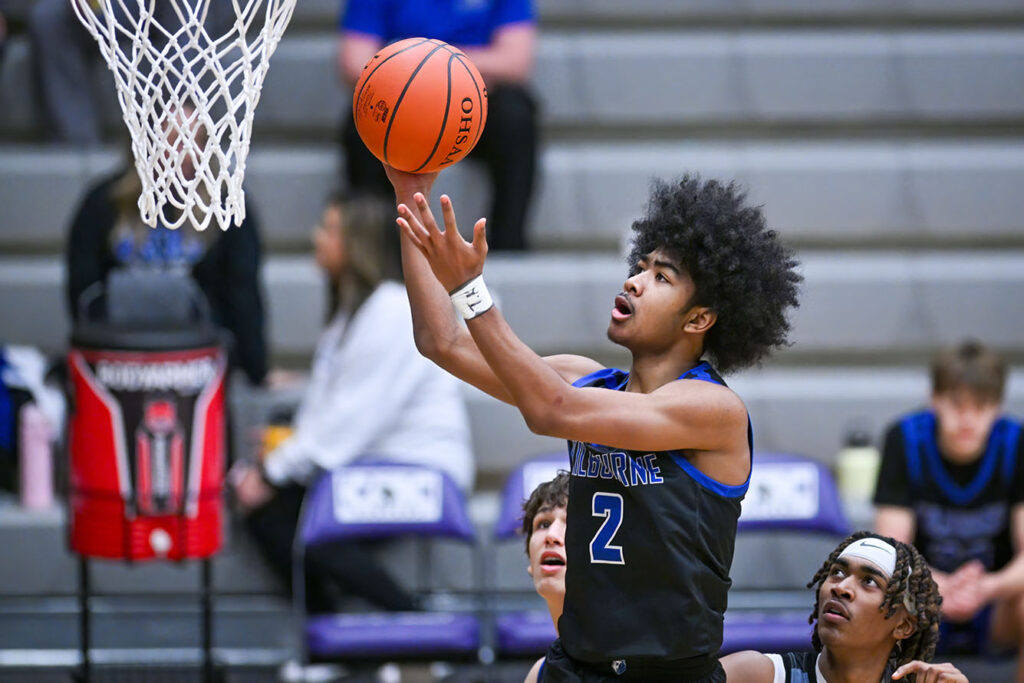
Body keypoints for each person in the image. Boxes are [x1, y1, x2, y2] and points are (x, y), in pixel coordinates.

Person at [387, 165, 802, 681]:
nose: (633, 279)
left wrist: (471, 289)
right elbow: (440, 342)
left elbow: (549, 410)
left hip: (667, 674)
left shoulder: (713, 410)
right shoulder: (584, 382)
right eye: (640, 266)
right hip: (578, 665)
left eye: (661, 277)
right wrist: (410, 195)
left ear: (698, 319)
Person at [232, 191, 473, 614]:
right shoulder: (353, 314)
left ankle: (418, 624)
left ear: (357, 243)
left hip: (422, 472)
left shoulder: (391, 311)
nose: (316, 237)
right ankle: (338, 637)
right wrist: (283, 450)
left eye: (329, 229)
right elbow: (331, 417)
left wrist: (273, 470)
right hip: (373, 462)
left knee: (307, 525)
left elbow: (347, 423)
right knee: (274, 517)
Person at [65, 105, 268, 387]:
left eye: (193, 140)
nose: (184, 153)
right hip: (121, 361)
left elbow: (243, 293)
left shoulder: (227, 208)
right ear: (146, 143)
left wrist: (258, 370)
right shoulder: (103, 204)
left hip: (199, 362)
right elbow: (82, 291)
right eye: (173, 140)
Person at [874, 340, 1024, 677]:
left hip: (993, 602)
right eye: (957, 405)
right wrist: (938, 584)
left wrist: (987, 587)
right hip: (921, 602)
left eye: (981, 406)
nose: (968, 419)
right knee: (874, 599)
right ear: (935, 400)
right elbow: (890, 551)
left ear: (997, 408)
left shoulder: (1017, 443)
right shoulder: (905, 438)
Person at [338, 0, 539, 251]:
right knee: (361, 123)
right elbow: (354, 63)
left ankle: (508, 248)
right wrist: (421, 74)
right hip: (404, 102)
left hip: (472, 99)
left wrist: (437, 65)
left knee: (517, 115)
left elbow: (515, 62)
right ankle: (379, 258)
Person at [721, 532, 967, 683]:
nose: (841, 587)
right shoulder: (757, 675)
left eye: (869, 582)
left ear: (902, 625)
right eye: (837, 572)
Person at [520, 473, 569, 683]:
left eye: (572, 522)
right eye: (543, 523)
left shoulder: (647, 663)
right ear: (531, 564)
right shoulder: (539, 674)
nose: (552, 535)